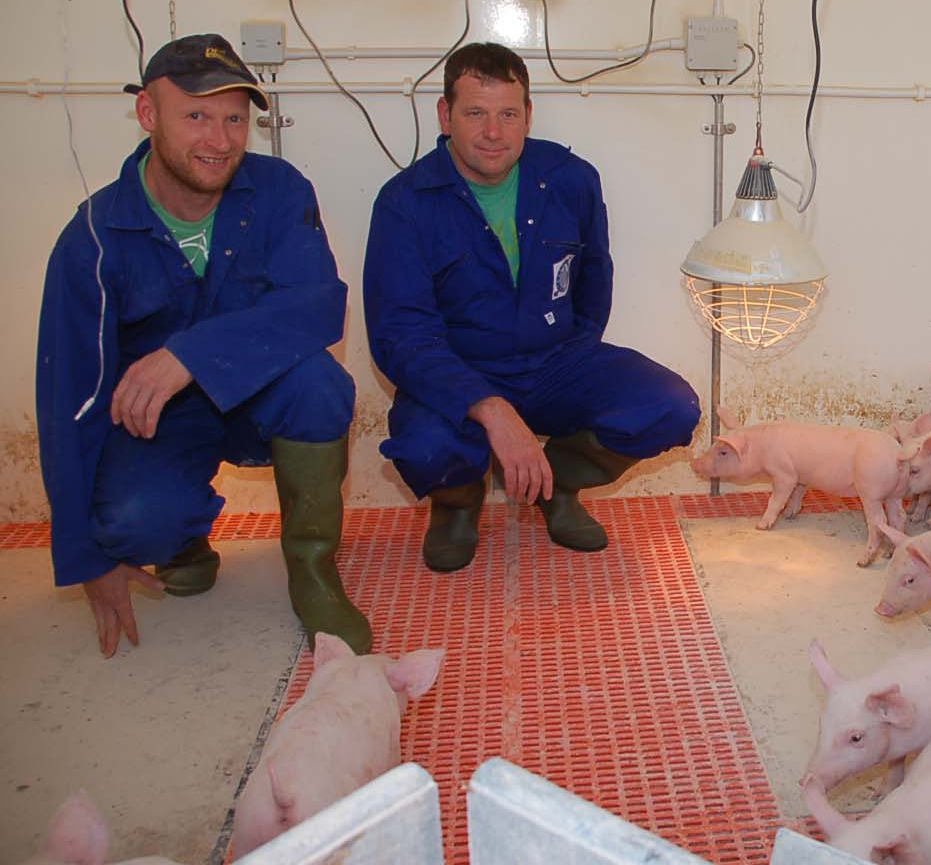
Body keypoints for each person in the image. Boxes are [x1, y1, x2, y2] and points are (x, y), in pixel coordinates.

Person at [36, 33, 371, 657]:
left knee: (322, 385)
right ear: (147, 114)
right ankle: (181, 539)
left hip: (259, 397)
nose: (219, 141)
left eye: (234, 119)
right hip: (159, 425)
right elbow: (68, 403)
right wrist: (85, 557)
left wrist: (190, 354)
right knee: (133, 523)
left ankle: (314, 573)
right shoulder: (92, 236)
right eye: (195, 116)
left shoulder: (279, 189)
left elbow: (317, 304)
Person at [364, 42, 700, 570]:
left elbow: (595, 276)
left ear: (528, 116)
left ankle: (555, 485)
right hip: (457, 369)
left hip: (553, 360)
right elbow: (399, 335)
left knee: (669, 406)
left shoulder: (571, 178)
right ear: (445, 115)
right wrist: (489, 407)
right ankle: (457, 504)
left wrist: (574, 351)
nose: (493, 132)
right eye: (475, 113)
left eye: (508, 114)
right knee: (424, 447)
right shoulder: (404, 201)